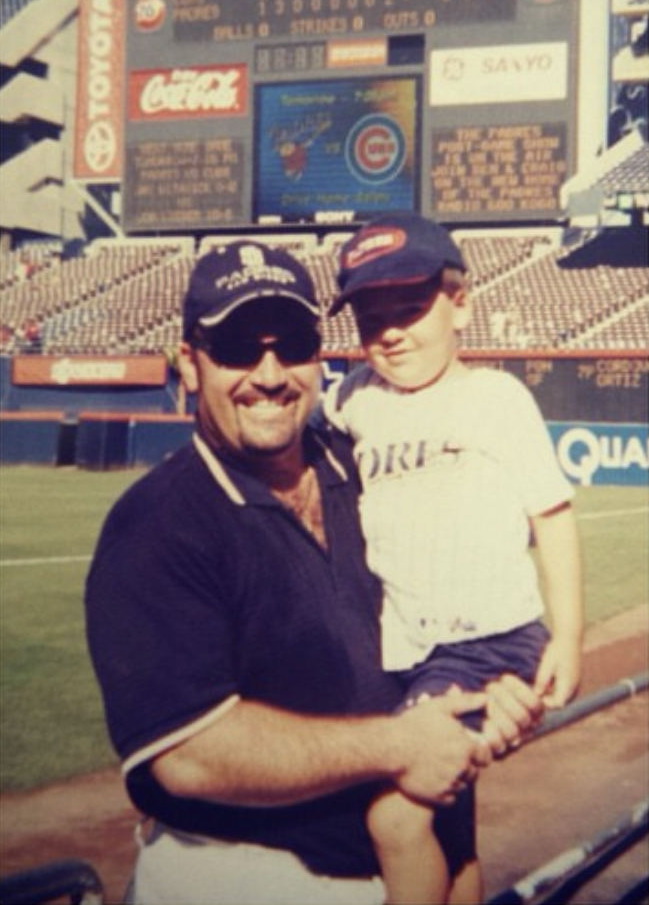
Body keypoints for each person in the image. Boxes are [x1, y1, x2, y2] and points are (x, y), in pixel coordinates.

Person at [86, 239, 544, 905]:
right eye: (239, 346)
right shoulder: (157, 523)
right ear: (190, 364)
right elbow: (190, 753)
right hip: (242, 880)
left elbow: (464, 591)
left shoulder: (367, 469)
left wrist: (495, 685)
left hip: (413, 865)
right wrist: (398, 745)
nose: (269, 374)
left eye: (294, 343)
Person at [323, 211, 584, 905]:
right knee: (449, 823)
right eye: (369, 317)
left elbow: (551, 518)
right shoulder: (354, 399)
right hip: (406, 646)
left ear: (460, 304)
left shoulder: (494, 399)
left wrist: (568, 637)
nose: (389, 332)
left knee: (395, 812)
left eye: (409, 308)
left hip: (485, 639)